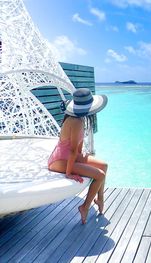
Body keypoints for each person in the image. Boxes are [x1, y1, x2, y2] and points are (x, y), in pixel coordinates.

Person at [48, 88, 108, 224]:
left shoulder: (78, 119)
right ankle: (84, 207)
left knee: (104, 166)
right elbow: (73, 151)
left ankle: (100, 199)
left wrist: (83, 158)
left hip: (68, 156)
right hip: (60, 160)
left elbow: (77, 148)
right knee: (100, 175)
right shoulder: (76, 122)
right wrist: (69, 173)